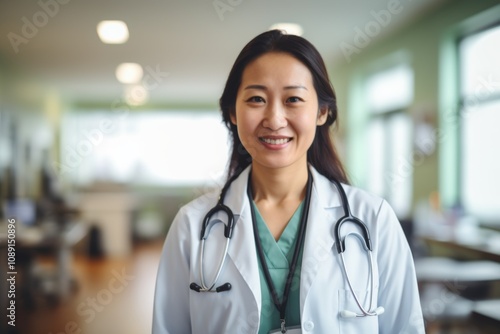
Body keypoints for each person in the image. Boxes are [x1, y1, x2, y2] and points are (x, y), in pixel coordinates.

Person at [153, 29, 425, 334]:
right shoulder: (192, 225)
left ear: (322, 111)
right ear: (232, 111)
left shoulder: (374, 219)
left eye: (293, 99)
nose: (275, 118)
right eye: (256, 99)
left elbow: (405, 328)